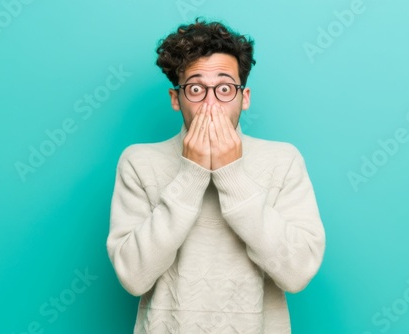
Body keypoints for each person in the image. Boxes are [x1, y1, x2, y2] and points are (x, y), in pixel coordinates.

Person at [107, 19, 325, 333]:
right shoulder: (139, 162)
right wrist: (191, 173)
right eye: (195, 89)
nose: (211, 104)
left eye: (224, 89)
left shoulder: (283, 161)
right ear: (175, 98)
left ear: (244, 97)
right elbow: (134, 276)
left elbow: (297, 273)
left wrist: (231, 173)